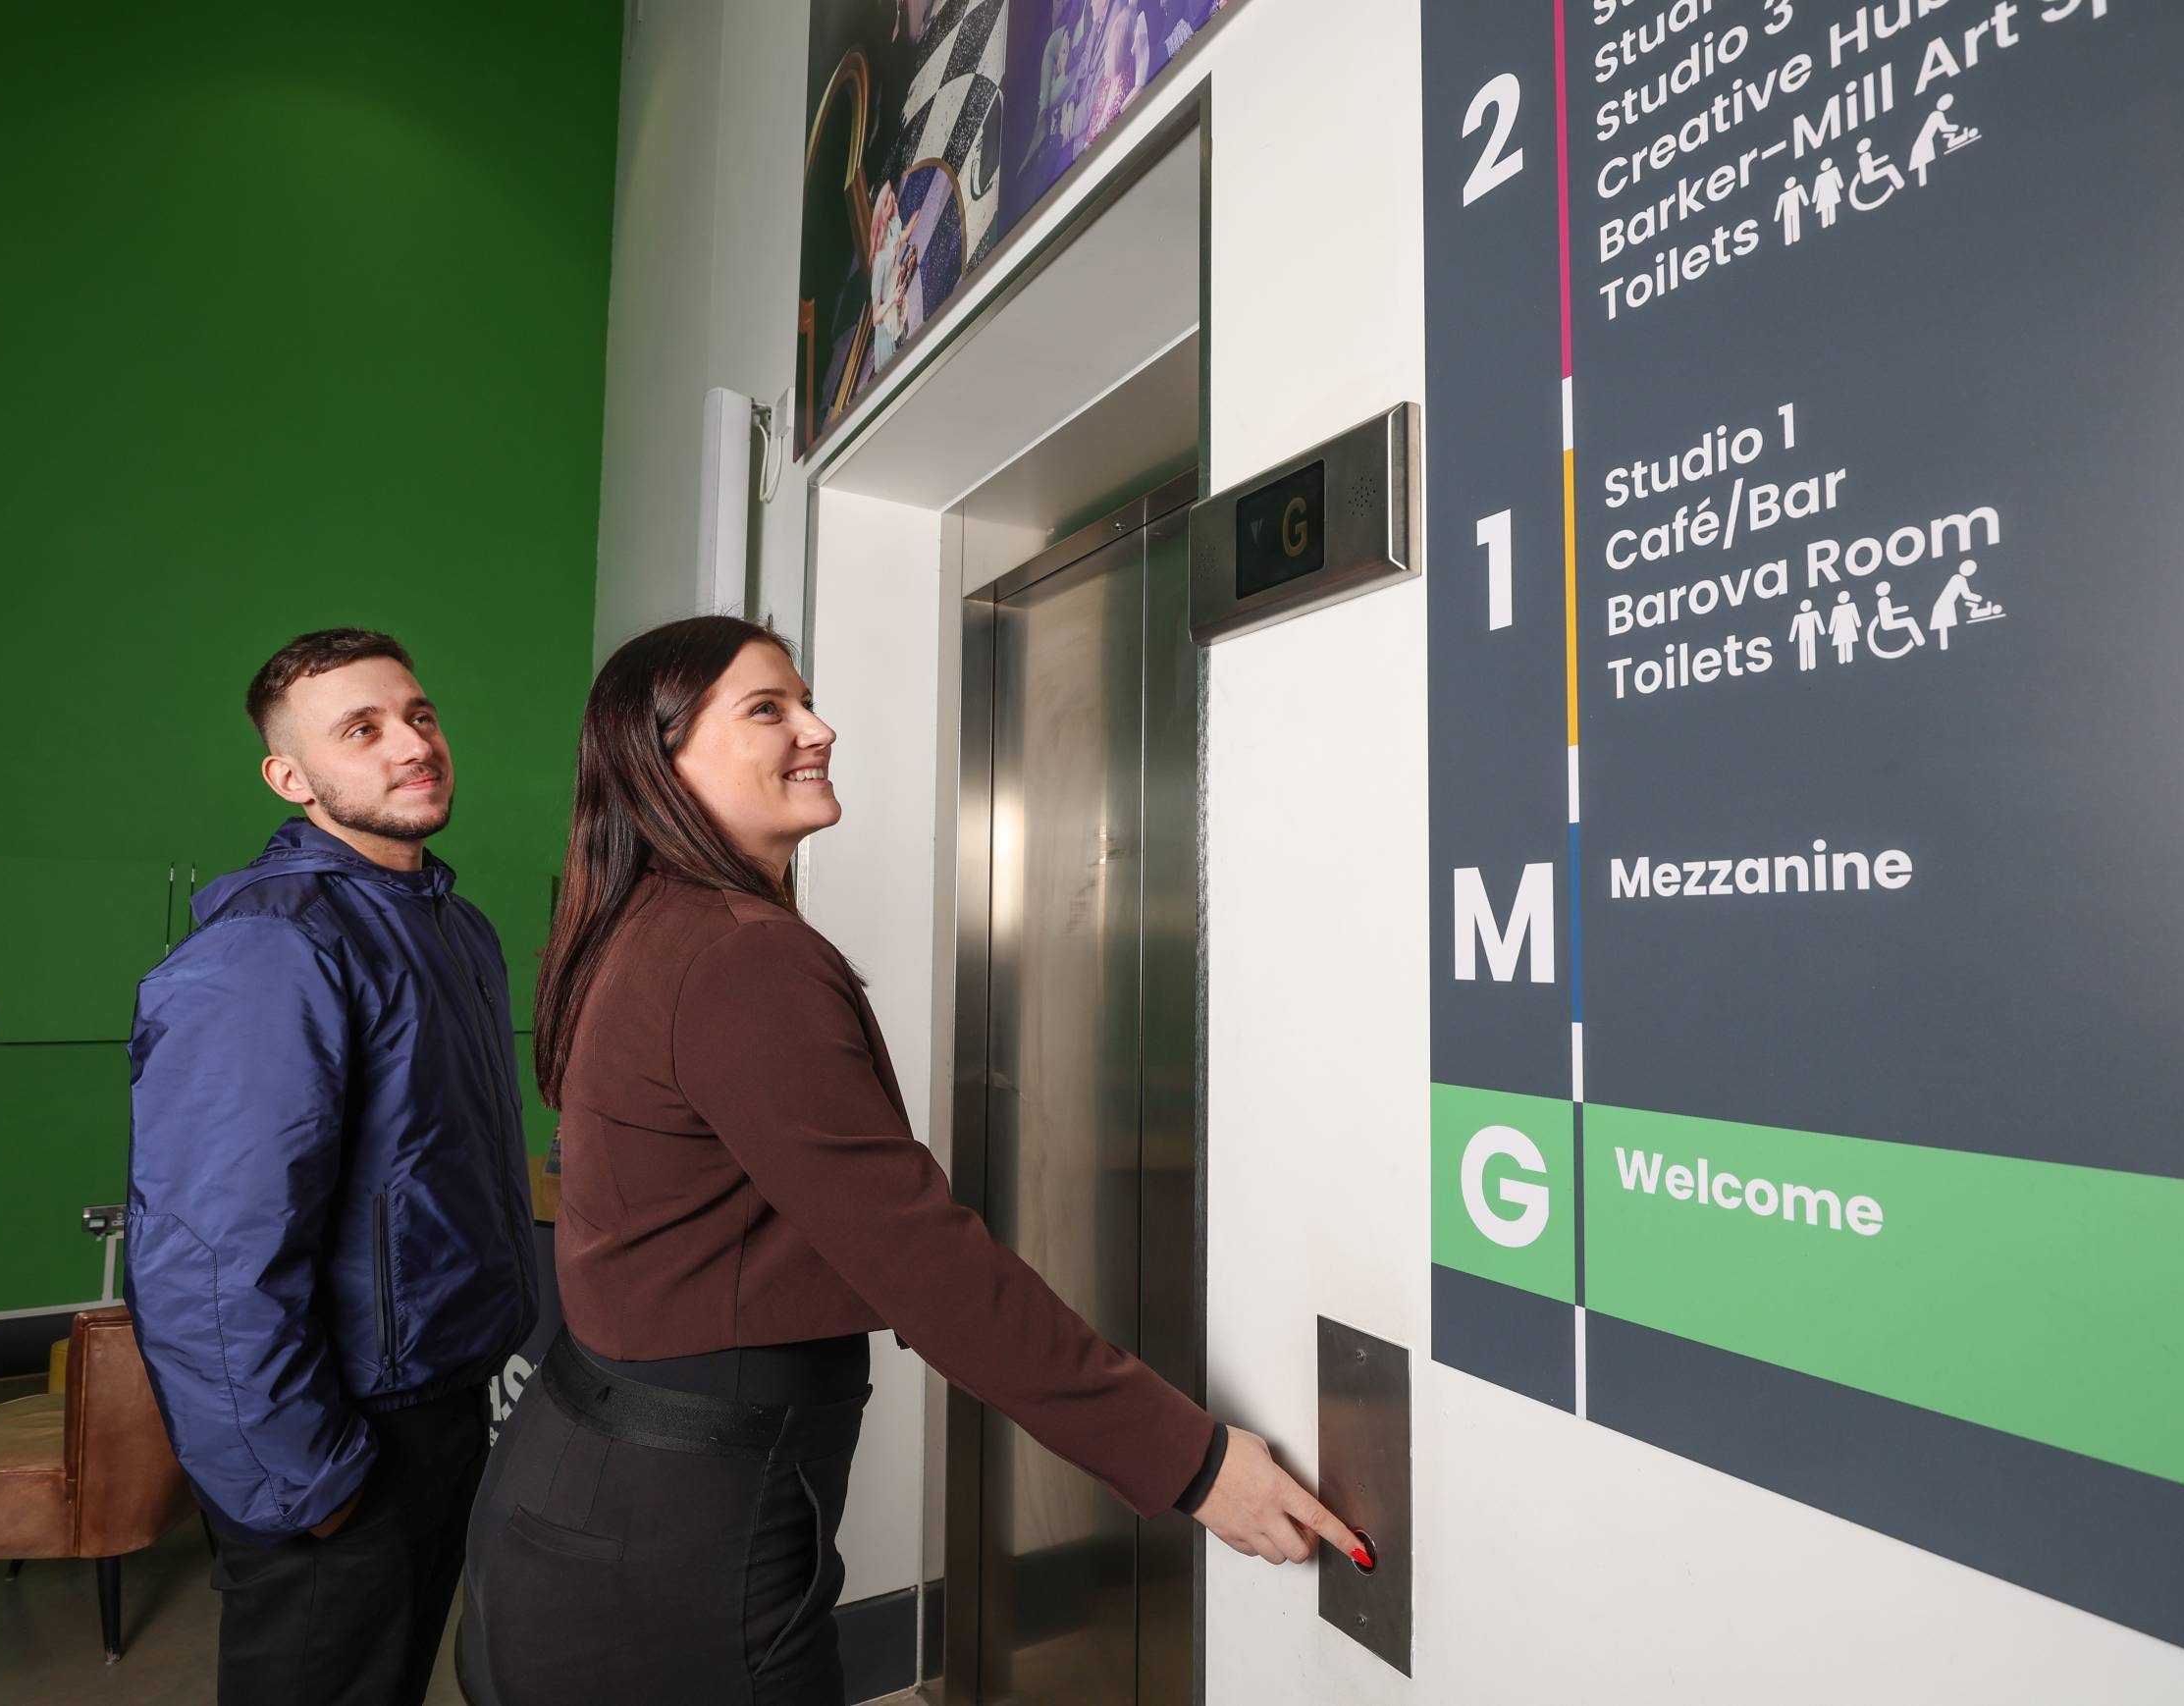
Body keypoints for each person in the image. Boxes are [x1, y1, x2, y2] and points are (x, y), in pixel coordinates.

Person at [458, 616, 1356, 1705]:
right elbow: (925, 1266)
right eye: (768, 709)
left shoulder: (642, 925)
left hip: (594, 1487)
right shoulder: (741, 957)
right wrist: (1194, 1462)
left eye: (805, 699)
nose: (819, 727)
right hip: (673, 1532)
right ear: (662, 756)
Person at [126, 629, 537, 1706]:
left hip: (443, 1404)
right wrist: (301, 1478)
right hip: (339, 1439)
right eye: (362, 728)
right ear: (291, 777)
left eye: (420, 714)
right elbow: (210, 1258)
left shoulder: (456, 928)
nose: (412, 742)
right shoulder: (270, 949)